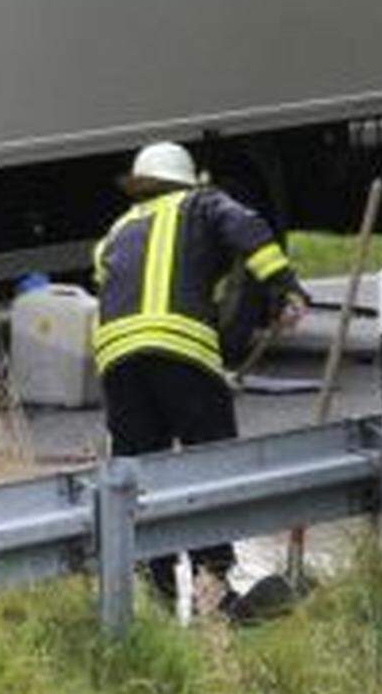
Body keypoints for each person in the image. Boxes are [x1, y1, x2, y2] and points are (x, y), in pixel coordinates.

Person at [88, 140, 305, 609]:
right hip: (182, 352)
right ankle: (215, 591)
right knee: (209, 468)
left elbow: (107, 285)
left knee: (138, 478)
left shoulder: (116, 229)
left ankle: (155, 592)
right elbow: (247, 229)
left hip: (119, 364)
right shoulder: (201, 203)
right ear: (186, 180)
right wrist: (285, 289)